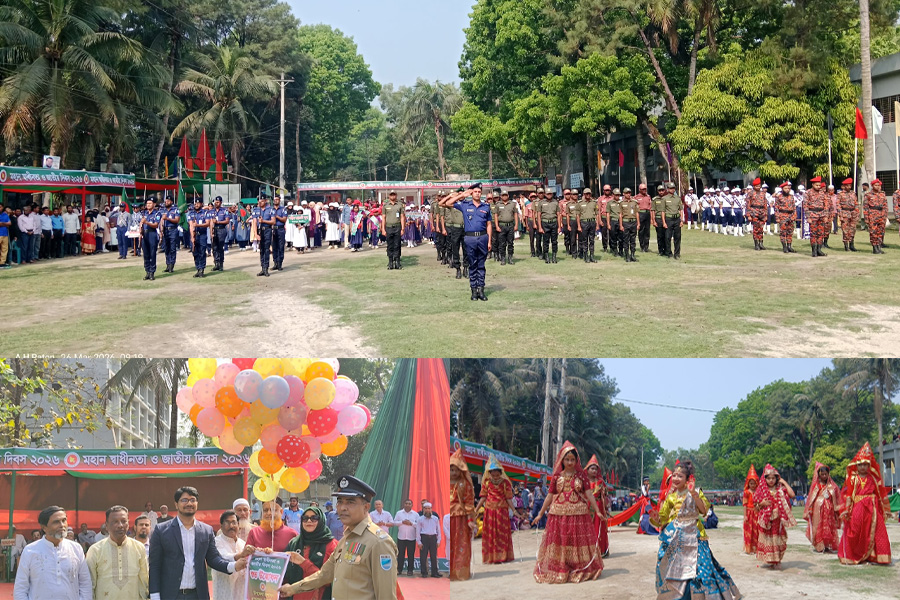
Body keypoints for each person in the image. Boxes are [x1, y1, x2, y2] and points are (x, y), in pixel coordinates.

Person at [277, 474, 399, 600]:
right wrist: (293, 589)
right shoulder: (346, 539)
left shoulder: (378, 543)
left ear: (366, 507)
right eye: (340, 502)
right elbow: (324, 575)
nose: (342, 508)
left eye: (350, 502)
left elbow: (386, 596)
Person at [649, 461, 741, 600]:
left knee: (700, 568)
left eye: (680, 476)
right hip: (676, 536)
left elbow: (703, 510)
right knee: (672, 565)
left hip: (695, 534)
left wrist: (693, 494)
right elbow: (663, 517)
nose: (676, 478)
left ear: (688, 479)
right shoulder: (671, 497)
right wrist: (656, 517)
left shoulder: (696, 492)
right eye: (674, 475)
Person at [148, 486, 247, 600]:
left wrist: (234, 566)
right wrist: (155, 596)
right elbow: (155, 565)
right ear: (176, 504)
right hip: (170, 595)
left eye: (192, 500)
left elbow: (213, 559)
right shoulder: (162, 530)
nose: (189, 503)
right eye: (184, 500)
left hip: (197, 595)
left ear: (197, 503)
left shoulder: (206, 531)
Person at [532, 441, 603, 583]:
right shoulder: (556, 477)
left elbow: (589, 494)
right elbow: (550, 496)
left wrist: (597, 510)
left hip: (578, 514)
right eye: (567, 459)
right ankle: (562, 566)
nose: (570, 462)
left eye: (572, 459)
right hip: (559, 514)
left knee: (576, 542)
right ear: (562, 460)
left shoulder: (581, 476)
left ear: (576, 461)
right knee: (561, 541)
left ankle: (578, 567)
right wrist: (540, 514)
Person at [14, 505, 91, 600]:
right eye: (56, 522)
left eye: (64, 520)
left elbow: (85, 583)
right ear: (44, 527)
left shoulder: (76, 548)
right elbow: (20, 588)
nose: (62, 525)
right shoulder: (30, 550)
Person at [838, 442, 892, 565]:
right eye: (860, 464)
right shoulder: (853, 479)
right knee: (856, 531)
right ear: (856, 465)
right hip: (858, 508)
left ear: (869, 465)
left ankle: (875, 557)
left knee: (878, 532)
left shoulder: (873, 479)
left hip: (873, 510)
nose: (862, 467)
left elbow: (880, 496)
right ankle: (854, 555)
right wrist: (847, 509)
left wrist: (885, 509)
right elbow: (849, 496)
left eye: (865, 464)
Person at [441, 183, 492, 301]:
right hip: (470, 238)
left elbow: (489, 224)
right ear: (471, 193)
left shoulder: (486, 207)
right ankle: (473, 291)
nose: (477, 194)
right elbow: (448, 203)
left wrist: (489, 241)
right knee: (472, 264)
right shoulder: (464, 205)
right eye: (475, 192)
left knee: (481, 265)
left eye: (479, 192)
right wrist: (462, 195)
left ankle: (481, 290)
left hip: (483, 237)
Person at [86, 505, 149, 599]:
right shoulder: (95, 550)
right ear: (106, 525)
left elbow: (144, 580)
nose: (120, 525)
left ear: (128, 524)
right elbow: (90, 583)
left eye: (124, 521)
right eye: (115, 522)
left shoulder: (139, 548)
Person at [282, 506, 338, 600]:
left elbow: (328, 579)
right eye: (305, 518)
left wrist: (303, 563)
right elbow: (282, 569)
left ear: (321, 520)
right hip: (294, 596)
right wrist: (268, 554)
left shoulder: (332, 545)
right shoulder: (294, 543)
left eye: (314, 518)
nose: (309, 521)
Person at [474, 454, 515, 564]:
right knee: (491, 534)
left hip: (502, 512)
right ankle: (491, 557)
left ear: (501, 473)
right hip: (490, 512)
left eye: (497, 475)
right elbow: (483, 497)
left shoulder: (505, 483)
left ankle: (503, 556)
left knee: (502, 533)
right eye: (493, 475)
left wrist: (514, 510)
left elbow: (508, 498)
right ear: (489, 474)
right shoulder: (486, 483)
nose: (495, 477)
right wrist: (476, 509)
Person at [753, 464, 795, 569]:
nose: (771, 480)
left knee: (778, 540)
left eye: (773, 478)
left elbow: (792, 495)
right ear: (765, 479)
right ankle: (772, 561)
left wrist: (784, 482)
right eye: (769, 478)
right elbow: (755, 508)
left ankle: (777, 560)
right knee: (769, 541)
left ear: (777, 478)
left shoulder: (780, 489)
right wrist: (762, 504)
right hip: (766, 520)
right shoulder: (761, 490)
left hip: (778, 520)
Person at [213, 510, 255, 600]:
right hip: (224, 593)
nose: (231, 526)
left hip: (241, 593)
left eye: (234, 522)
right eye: (227, 523)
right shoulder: (216, 542)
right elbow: (224, 557)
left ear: (238, 525)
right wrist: (242, 554)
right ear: (221, 526)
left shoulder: (242, 544)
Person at [449, 448, 475, 581]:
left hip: (460, 517)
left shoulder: (464, 483)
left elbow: (469, 501)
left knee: (461, 544)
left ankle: (461, 572)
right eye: (451, 470)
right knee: (448, 544)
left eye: (456, 470)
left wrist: (470, 520)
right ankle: (448, 571)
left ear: (461, 471)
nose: (454, 473)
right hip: (447, 518)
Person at [804, 462, 841, 553]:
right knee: (818, 526)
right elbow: (812, 499)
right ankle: (819, 546)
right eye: (822, 474)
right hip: (818, 509)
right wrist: (810, 509)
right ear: (819, 475)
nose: (824, 476)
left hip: (829, 509)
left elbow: (836, 498)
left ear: (828, 474)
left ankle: (827, 545)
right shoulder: (816, 486)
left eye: (825, 474)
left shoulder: (832, 486)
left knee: (827, 526)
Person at [584, 454, 609, 557]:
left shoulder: (600, 482)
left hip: (598, 507)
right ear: (587, 469)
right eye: (592, 468)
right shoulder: (583, 481)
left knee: (597, 528)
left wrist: (606, 508)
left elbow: (604, 497)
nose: (594, 471)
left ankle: (599, 550)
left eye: (596, 469)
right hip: (586, 507)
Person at [803, 176, 829, 257]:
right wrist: (808, 217)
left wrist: (826, 215)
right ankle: (814, 251)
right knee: (813, 233)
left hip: (821, 214)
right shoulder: (808, 193)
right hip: (812, 214)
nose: (818, 187)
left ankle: (819, 249)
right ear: (813, 184)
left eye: (819, 185)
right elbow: (805, 205)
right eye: (816, 185)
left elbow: (826, 205)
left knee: (821, 233)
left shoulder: (822, 193)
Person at [393, 499, 418, 577]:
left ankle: (410, 570)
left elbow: (419, 525)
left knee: (411, 555)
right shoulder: (399, 513)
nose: (407, 505)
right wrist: (402, 522)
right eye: (406, 503)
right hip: (401, 537)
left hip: (411, 537)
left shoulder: (415, 514)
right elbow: (394, 522)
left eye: (409, 504)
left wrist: (411, 523)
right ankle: (399, 570)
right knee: (400, 554)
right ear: (404, 504)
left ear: (412, 505)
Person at [493, 188, 519, 265]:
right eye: (503, 195)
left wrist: (516, 225)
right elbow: (495, 216)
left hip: (510, 225)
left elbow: (515, 214)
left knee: (510, 243)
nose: (504, 197)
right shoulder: (498, 204)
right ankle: (503, 258)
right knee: (502, 243)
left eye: (505, 195)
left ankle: (510, 258)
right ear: (501, 196)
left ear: (508, 196)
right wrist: (497, 226)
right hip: (502, 226)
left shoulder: (512, 204)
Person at [416, 502, 441, 578]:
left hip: (433, 538)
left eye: (429, 508)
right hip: (424, 538)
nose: (427, 510)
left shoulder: (435, 519)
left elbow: (438, 530)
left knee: (434, 556)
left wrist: (438, 540)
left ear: (431, 509)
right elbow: (418, 531)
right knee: (423, 556)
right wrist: (419, 542)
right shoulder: (420, 519)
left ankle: (434, 572)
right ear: (423, 509)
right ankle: (424, 572)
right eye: (426, 508)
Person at [381, 191, 406, 270]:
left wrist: (403, 228)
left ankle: (397, 262)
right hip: (388, 227)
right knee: (390, 245)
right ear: (389, 196)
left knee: (397, 245)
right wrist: (383, 229)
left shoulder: (400, 205)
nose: (392, 196)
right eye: (391, 195)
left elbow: (402, 217)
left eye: (394, 195)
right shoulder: (385, 205)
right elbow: (383, 218)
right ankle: (390, 262)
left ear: (396, 195)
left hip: (397, 227)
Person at [139, 199, 162, 280]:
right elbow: (141, 223)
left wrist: (146, 222)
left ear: (154, 204)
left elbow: (156, 225)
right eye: (147, 203)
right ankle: (147, 271)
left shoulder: (157, 213)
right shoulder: (144, 213)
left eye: (150, 203)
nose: (148, 205)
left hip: (152, 233)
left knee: (152, 253)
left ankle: (152, 272)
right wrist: (140, 229)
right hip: (144, 234)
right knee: (146, 254)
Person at [864, 178, 887, 254]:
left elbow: (885, 205)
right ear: (872, 186)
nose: (877, 187)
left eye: (879, 185)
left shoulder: (882, 194)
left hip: (881, 215)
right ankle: (874, 247)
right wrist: (866, 218)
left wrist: (885, 215)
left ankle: (879, 247)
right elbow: (865, 207)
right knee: (873, 232)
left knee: (881, 232)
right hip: (872, 215)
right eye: (876, 185)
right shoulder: (868, 195)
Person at [538, 188, 561, 263]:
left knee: (554, 241)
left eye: (550, 193)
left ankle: (554, 257)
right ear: (545, 194)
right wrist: (540, 227)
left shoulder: (555, 202)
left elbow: (558, 215)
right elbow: (538, 215)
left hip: (554, 223)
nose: (549, 195)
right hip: (545, 223)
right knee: (545, 241)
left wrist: (559, 227)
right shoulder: (541, 203)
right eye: (548, 194)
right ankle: (546, 256)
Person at [576, 187, 599, 263]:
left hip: (592, 222)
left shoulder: (594, 202)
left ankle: (592, 256)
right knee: (585, 240)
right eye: (586, 194)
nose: (588, 195)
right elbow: (578, 215)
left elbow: (597, 214)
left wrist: (597, 224)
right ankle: (586, 256)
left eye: (589, 193)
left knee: (592, 240)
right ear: (584, 194)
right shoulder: (580, 203)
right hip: (584, 222)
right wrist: (579, 226)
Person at [159, 195, 180, 272]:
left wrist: (167, 218)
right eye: (165, 201)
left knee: (172, 248)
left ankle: (172, 265)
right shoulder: (163, 210)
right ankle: (168, 264)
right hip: (165, 230)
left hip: (173, 230)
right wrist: (161, 231)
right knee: (166, 248)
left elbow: (177, 220)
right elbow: (161, 221)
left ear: (171, 202)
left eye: (168, 201)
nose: (166, 202)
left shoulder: (175, 210)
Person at [256, 194, 276, 276]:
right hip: (260, 231)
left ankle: (266, 268)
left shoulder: (271, 209)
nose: (260, 202)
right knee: (261, 250)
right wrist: (255, 233)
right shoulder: (257, 210)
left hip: (267, 230)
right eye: (259, 201)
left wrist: (263, 221)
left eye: (262, 201)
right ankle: (262, 268)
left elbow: (273, 221)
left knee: (266, 249)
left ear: (265, 201)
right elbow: (254, 221)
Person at [745, 178, 768, 250]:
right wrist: (749, 215)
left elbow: (765, 204)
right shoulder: (750, 193)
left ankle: (761, 243)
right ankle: (756, 244)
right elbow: (748, 205)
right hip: (754, 212)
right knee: (756, 229)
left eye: (759, 186)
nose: (758, 187)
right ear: (754, 186)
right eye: (756, 186)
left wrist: (766, 214)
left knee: (761, 228)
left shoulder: (763, 193)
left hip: (762, 212)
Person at [837, 178, 859, 251]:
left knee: (853, 229)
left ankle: (851, 244)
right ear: (844, 186)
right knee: (845, 230)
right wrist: (840, 215)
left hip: (853, 213)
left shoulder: (853, 193)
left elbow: (856, 203)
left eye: (850, 185)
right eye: (847, 185)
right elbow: (838, 205)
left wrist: (857, 213)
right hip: (845, 213)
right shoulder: (840, 194)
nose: (849, 187)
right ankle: (846, 245)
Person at [662, 181, 682, 259]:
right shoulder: (664, 198)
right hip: (668, 219)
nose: (672, 190)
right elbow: (663, 211)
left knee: (677, 237)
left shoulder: (678, 198)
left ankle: (677, 253)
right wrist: (664, 222)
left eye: (673, 188)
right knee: (668, 237)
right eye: (670, 188)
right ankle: (669, 253)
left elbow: (681, 210)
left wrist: (681, 220)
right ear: (667, 189)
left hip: (677, 218)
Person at [775, 182, 797, 253]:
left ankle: (789, 246)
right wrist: (777, 217)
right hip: (782, 215)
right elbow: (776, 208)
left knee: (790, 232)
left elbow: (794, 207)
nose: (787, 190)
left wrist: (794, 215)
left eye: (788, 188)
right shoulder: (779, 197)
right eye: (785, 188)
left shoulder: (791, 196)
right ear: (782, 189)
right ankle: (784, 247)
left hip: (790, 215)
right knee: (783, 232)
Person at [741, 465, 759, 555]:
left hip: (756, 513)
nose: (752, 485)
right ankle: (749, 548)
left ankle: (756, 548)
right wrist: (745, 516)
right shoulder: (746, 492)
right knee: (749, 530)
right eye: (751, 483)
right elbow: (744, 504)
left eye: (754, 483)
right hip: (749, 512)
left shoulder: (758, 492)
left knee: (756, 530)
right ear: (748, 484)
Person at [619, 187, 640, 262]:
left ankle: (632, 255)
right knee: (626, 240)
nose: (628, 194)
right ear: (623, 194)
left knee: (633, 240)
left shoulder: (634, 202)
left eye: (629, 193)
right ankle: (627, 255)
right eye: (627, 193)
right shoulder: (621, 203)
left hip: (633, 222)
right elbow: (620, 215)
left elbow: (637, 213)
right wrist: (621, 225)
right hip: (625, 222)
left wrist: (638, 223)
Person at [211, 196, 230, 271]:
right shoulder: (212, 211)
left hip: (221, 229)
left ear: (221, 203)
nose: (216, 203)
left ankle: (221, 264)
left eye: (218, 202)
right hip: (214, 230)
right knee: (214, 248)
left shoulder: (224, 210)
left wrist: (218, 222)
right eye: (215, 202)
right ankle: (216, 264)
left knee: (220, 248)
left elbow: (227, 221)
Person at [272, 194, 288, 269]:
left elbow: (284, 219)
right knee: (274, 247)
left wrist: (277, 216)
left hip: (280, 229)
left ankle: (280, 263)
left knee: (281, 246)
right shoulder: (271, 209)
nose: (275, 201)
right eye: (274, 199)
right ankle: (275, 263)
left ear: (279, 200)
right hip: (273, 229)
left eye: (277, 199)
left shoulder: (283, 209)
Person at [651, 185, 666, 256]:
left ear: (664, 191)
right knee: (660, 236)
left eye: (662, 190)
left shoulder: (666, 198)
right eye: (660, 191)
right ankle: (660, 251)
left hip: (666, 218)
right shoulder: (655, 199)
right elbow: (652, 210)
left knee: (666, 235)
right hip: (658, 218)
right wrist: (653, 220)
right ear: (658, 191)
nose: (661, 192)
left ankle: (666, 250)